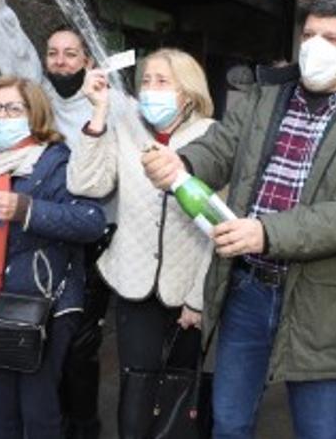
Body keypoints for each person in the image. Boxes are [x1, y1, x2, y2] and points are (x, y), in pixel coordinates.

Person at [141, 0, 336, 439]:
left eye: (331, 38)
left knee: (318, 430)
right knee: (229, 422)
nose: (315, 46)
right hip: (246, 287)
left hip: (322, 298)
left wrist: (267, 233)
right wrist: (182, 164)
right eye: (309, 35)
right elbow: (220, 148)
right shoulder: (265, 94)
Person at [0, 0, 125, 438]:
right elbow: (9, 44)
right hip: (32, 251)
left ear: (88, 59)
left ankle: (83, 428)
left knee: (78, 353)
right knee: (27, 370)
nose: (61, 61)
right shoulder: (33, 95)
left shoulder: (112, 104)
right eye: (53, 54)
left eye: (72, 54)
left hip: (94, 240)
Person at [66, 48, 216, 435]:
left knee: (179, 393)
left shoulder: (212, 137)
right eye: (146, 80)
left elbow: (219, 224)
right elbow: (86, 184)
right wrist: (97, 114)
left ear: (188, 91)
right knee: (136, 387)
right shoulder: (125, 127)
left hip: (187, 290)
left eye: (162, 81)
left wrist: (199, 297)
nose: (151, 89)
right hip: (133, 280)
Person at [0, 76, 106, 438]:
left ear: (33, 114)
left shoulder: (55, 161)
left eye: (12, 108)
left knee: (37, 410)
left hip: (46, 306)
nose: (1, 116)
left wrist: (26, 209)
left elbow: (90, 222)